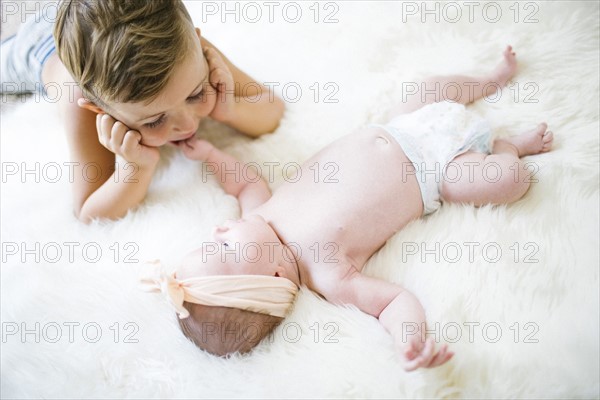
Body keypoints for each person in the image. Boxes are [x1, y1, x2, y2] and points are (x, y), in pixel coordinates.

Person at [142, 46, 553, 371]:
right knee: (504, 182)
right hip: (439, 171)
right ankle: (509, 147)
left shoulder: (258, 214)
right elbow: (393, 302)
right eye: (225, 251)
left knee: (422, 91)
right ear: (276, 276)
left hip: (400, 126)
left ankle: (489, 80)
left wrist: (211, 153)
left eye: (209, 241)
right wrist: (408, 339)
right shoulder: (327, 274)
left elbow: (243, 180)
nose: (218, 232)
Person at [0, 0, 284, 222]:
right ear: (99, 109)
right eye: (155, 120)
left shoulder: (189, 53)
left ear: (198, 42)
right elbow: (88, 212)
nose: (187, 125)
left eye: (196, 93)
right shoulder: (79, 103)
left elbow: (271, 107)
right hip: (37, 48)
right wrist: (136, 168)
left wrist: (230, 108)